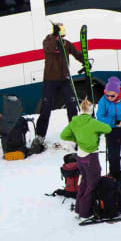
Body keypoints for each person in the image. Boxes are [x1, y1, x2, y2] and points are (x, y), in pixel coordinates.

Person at [33, 22, 85, 153]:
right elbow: (50, 49)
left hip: (64, 80)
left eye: (63, 36)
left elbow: (76, 54)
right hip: (50, 81)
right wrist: (54, 38)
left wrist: (85, 61)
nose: (61, 39)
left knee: (72, 106)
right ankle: (40, 136)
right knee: (46, 108)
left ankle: (76, 134)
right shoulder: (47, 41)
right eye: (59, 36)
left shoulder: (67, 44)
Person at [59, 98, 111, 219]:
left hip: (80, 156)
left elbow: (63, 135)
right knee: (92, 183)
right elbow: (108, 129)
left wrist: (77, 139)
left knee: (84, 181)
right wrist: (96, 133)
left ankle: (78, 209)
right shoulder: (92, 122)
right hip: (91, 156)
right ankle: (85, 212)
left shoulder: (74, 122)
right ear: (91, 110)